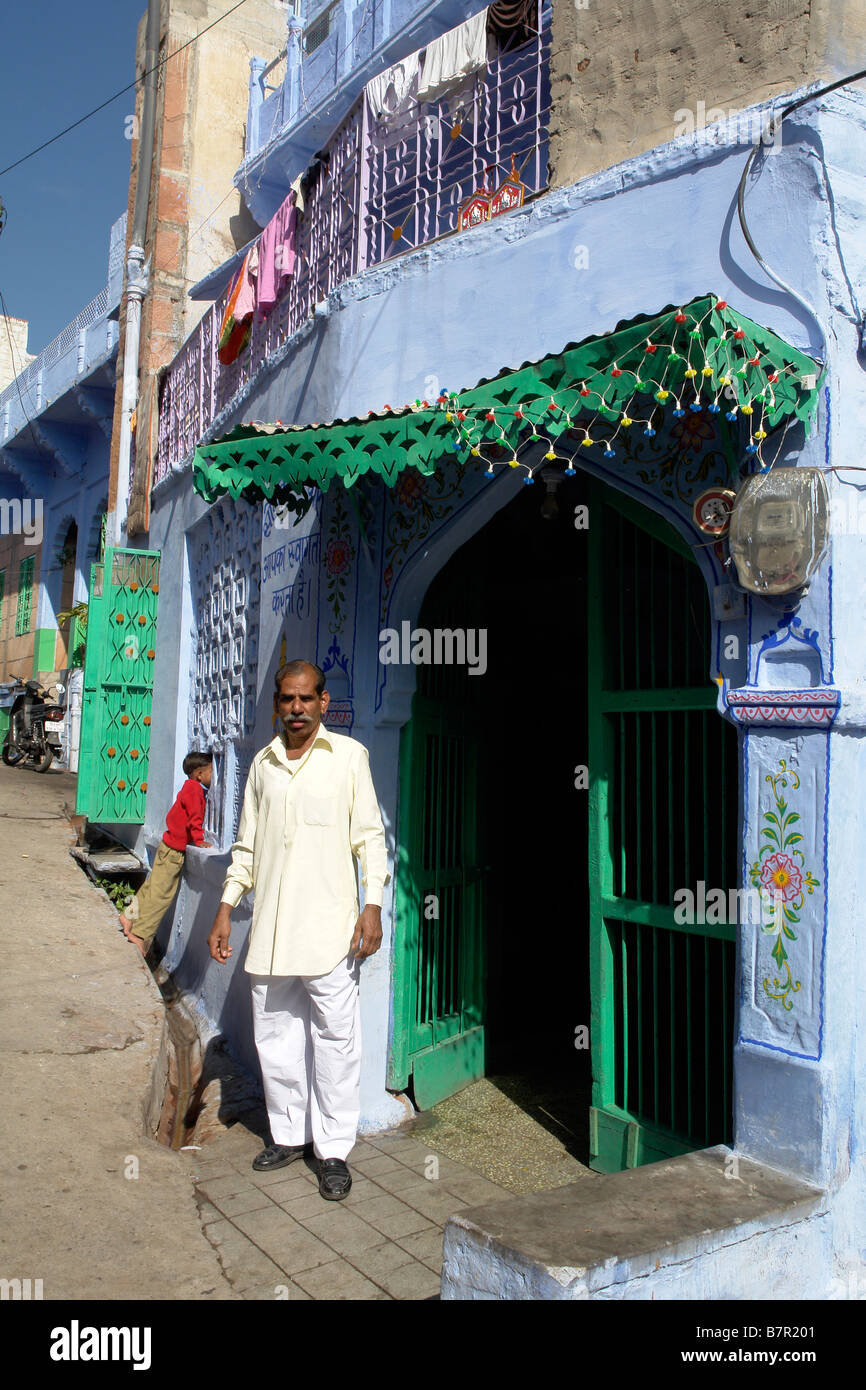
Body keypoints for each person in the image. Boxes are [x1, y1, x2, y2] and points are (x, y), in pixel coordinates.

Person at [207, 659, 389, 1201]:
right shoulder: (262, 765)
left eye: (306, 699)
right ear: (276, 704)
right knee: (277, 1041)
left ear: (323, 702)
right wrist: (224, 907)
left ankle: (333, 1151)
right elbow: (246, 845)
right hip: (271, 934)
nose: (296, 709)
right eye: (287, 699)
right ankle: (288, 1135)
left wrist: (372, 904)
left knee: (336, 1044)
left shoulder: (349, 759)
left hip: (331, 932)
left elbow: (370, 839)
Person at [120, 751, 213, 954]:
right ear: (199, 774)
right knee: (161, 895)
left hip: (167, 845)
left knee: (151, 887)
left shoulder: (188, 787)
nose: (212, 776)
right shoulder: (196, 791)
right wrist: (199, 840)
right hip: (173, 852)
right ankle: (141, 934)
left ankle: (129, 915)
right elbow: (194, 819)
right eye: (210, 772)